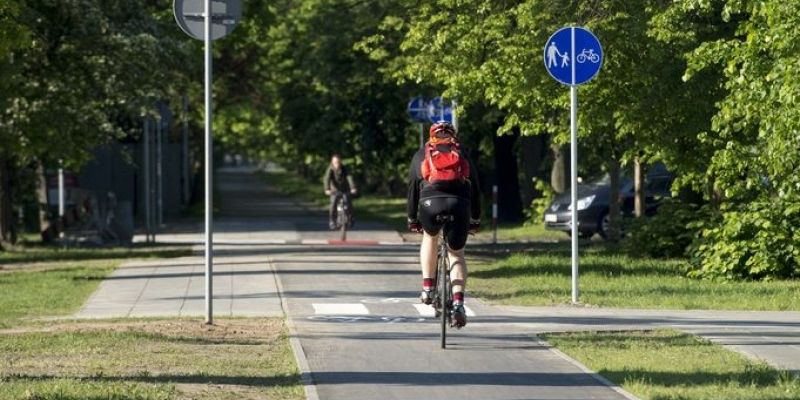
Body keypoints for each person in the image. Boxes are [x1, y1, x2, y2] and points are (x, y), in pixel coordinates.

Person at [407, 121, 480, 328]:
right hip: (459, 204)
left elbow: (413, 188)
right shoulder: (462, 153)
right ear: (453, 136)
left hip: (430, 204)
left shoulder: (422, 153)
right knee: (456, 253)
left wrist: (412, 218)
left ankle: (428, 287)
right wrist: (475, 218)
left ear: (432, 136)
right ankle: (458, 303)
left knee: (430, 237)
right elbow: (475, 187)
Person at [323, 154, 358, 230]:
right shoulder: (330, 169)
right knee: (333, 203)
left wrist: (353, 187)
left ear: (340, 162)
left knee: (348, 202)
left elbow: (349, 177)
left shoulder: (344, 169)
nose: (337, 164)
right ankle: (332, 220)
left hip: (345, 189)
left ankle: (351, 218)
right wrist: (327, 189)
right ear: (332, 163)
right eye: (335, 162)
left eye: (338, 162)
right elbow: (327, 179)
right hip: (334, 190)